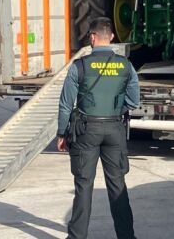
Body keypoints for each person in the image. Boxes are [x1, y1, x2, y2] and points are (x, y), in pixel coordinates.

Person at [57, 17, 139, 239]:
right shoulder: (126, 65)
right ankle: (127, 236)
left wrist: (62, 133)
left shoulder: (79, 66)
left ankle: (77, 236)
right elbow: (134, 101)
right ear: (111, 37)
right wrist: (114, 110)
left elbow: (66, 104)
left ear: (92, 38)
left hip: (86, 131)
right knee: (117, 185)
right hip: (114, 129)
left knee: (83, 186)